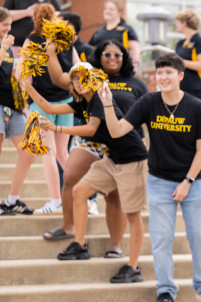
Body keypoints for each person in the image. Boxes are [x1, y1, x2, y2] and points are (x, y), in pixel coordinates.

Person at [99, 53, 201, 302]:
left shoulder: (197, 107)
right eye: (159, 73)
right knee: (162, 238)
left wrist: (187, 181)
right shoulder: (149, 102)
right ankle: (165, 289)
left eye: (169, 73)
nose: (163, 78)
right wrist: (108, 104)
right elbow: (117, 130)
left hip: (194, 182)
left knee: (199, 236)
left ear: (180, 76)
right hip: (159, 181)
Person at [22, 61, 148, 283]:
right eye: (75, 79)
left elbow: (90, 129)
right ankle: (80, 245)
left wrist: (56, 128)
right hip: (112, 157)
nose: (78, 83)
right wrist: (28, 87)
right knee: (79, 191)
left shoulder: (99, 98)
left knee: (133, 214)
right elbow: (50, 108)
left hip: (132, 159)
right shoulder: (83, 101)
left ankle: (133, 267)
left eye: (83, 78)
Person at [40, 41, 143, 264]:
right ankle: (76, 238)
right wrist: (29, 82)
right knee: (73, 183)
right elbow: (60, 84)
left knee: (119, 200)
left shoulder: (134, 83)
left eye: (117, 54)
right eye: (107, 53)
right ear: (99, 57)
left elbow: (145, 112)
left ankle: (120, 251)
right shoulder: (85, 84)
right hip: (98, 144)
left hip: (125, 149)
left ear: (125, 57)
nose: (112, 57)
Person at [19, 3, 76, 215]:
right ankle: (83, 198)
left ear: (35, 19)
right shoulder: (66, 42)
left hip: (40, 102)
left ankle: (55, 201)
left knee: (48, 153)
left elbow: (24, 75)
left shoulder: (31, 40)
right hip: (66, 102)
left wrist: (26, 104)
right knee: (63, 152)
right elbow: (77, 68)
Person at [0, 7, 35, 216]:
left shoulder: (8, 47)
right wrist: (4, 47)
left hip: (12, 106)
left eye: (10, 25)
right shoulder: (5, 45)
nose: (8, 29)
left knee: (28, 154)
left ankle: (12, 201)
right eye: (5, 24)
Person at [88, 0, 140, 72]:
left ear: (119, 13)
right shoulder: (98, 31)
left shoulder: (126, 29)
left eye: (111, 9)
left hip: (121, 70)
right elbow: (90, 48)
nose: (107, 11)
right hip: (100, 71)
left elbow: (135, 49)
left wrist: (134, 65)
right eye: (106, 9)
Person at [175, 9, 201, 102]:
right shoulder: (180, 43)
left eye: (178, 22)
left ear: (184, 23)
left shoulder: (199, 41)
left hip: (195, 89)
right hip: (180, 88)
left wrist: (180, 62)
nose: (176, 24)